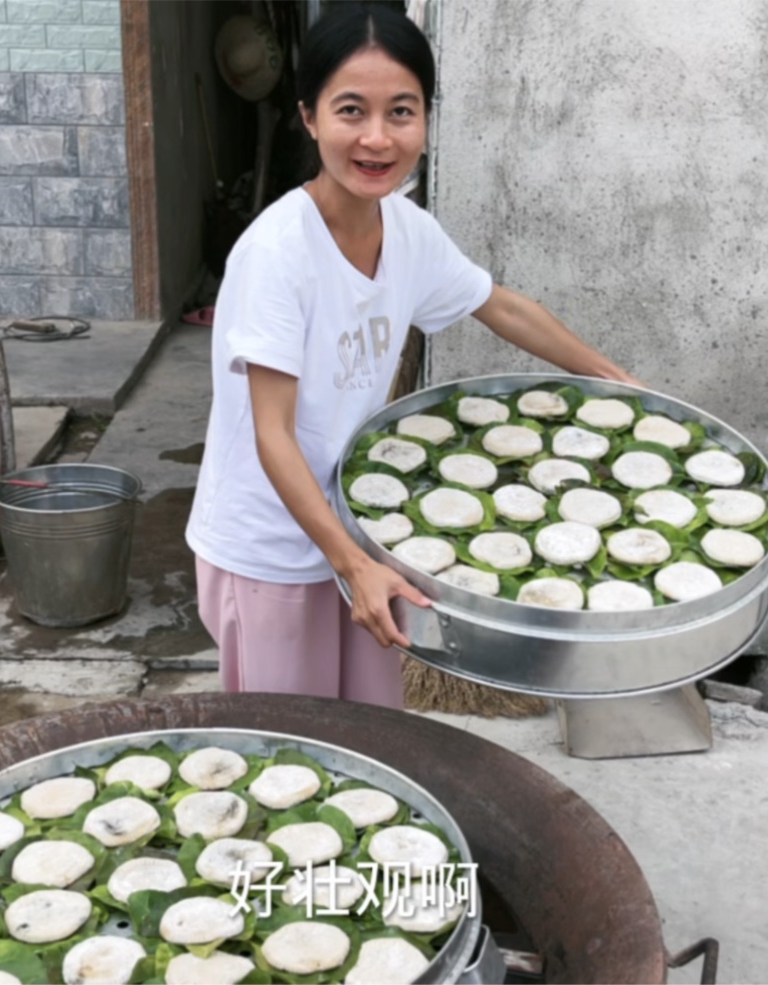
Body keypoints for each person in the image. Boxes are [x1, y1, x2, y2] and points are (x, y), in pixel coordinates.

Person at [186, 2, 636, 709]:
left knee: (373, 734)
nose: (375, 137)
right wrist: (350, 564)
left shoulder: (408, 231)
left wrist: (618, 384)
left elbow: (504, 306)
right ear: (308, 117)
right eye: (350, 111)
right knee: (289, 756)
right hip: (270, 549)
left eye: (401, 111)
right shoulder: (277, 253)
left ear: (426, 119)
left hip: (363, 532)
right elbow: (271, 433)